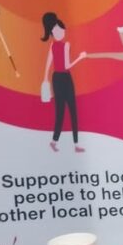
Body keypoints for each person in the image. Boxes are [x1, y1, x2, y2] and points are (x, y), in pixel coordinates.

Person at [41, 12, 87, 153]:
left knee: (60, 111)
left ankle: (54, 142)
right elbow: (66, 66)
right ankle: (76, 144)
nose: (60, 32)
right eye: (57, 30)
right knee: (72, 110)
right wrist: (80, 57)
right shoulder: (65, 45)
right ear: (53, 31)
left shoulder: (52, 45)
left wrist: (45, 79)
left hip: (56, 78)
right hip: (65, 78)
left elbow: (48, 63)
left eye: (61, 30)